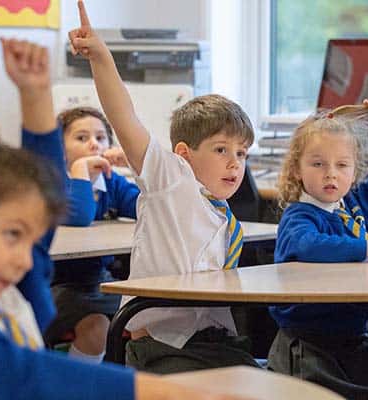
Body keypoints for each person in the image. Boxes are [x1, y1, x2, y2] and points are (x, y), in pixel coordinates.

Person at [0, 38, 249, 400]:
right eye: (13, 234)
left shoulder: (9, 289)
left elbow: (42, 201)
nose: (26, 256)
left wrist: (36, 96)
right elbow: (36, 375)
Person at [68, 0, 260, 373]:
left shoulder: (221, 212)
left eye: (242, 152)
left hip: (209, 340)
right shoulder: (172, 181)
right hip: (158, 344)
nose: (235, 162)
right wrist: (101, 58)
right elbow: (123, 116)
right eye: (221, 150)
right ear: (184, 155)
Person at [268, 96, 368, 400]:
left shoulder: (361, 204)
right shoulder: (299, 215)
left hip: (352, 338)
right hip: (307, 344)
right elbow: (308, 245)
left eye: (342, 165)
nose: (331, 173)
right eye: (318, 164)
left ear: (355, 170)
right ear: (297, 169)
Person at [44, 106, 140, 363]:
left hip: (100, 282)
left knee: (147, 314)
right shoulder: (53, 183)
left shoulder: (113, 182)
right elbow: (78, 216)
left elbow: (146, 207)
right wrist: (80, 171)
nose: (93, 145)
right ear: (60, 149)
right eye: (81, 138)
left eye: (100, 138)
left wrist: (136, 164)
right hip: (57, 286)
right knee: (98, 326)